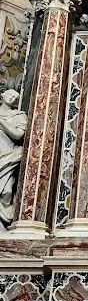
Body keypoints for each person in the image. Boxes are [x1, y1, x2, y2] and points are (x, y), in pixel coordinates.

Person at [0, 89, 27, 231]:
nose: (12, 97)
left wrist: (1, 121)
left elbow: (17, 135)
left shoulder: (19, 115)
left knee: (7, 191)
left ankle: (4, 224)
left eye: (16, 97)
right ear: (2, 95)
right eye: (10, 94)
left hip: (8, 154)